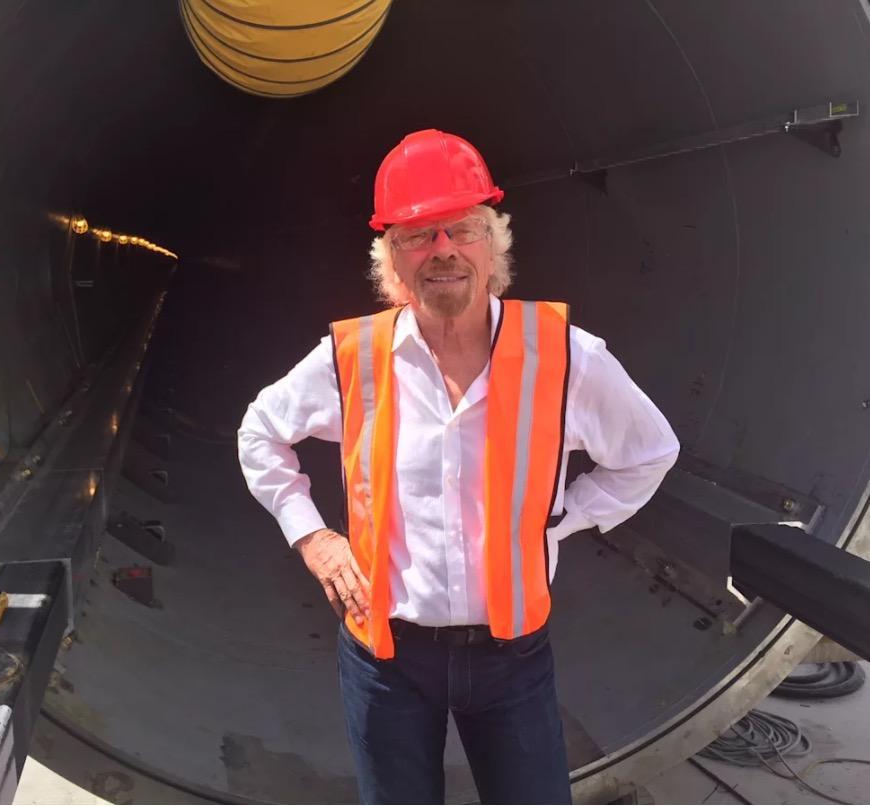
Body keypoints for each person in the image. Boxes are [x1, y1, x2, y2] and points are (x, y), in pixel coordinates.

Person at [238, 129, 680, 804]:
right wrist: (315, 537)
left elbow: (650, 452)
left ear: (493, 245)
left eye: (462, 229)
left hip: (512, 659)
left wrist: (558, 523)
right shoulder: (353, 357)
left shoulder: (566, 357)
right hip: (386, 660)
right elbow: (260, 431)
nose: (443, 249)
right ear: (391, 260)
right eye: (418, 234)